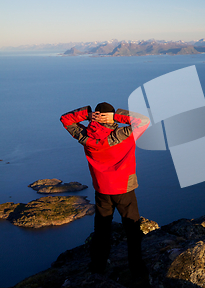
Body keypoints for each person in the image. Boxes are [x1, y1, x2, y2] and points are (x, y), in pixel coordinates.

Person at [60, 102, 150, 275]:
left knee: (101, 231)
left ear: (97, 115)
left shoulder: (86, 136)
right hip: (124, 190)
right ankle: (137, 271)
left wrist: (86, 115)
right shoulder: (124, 134)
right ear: (109, 117)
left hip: (102, 190)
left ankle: (98, 267)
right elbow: (143, 120)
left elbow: (65, 119)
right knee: (132, 231)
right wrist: (117, 116)